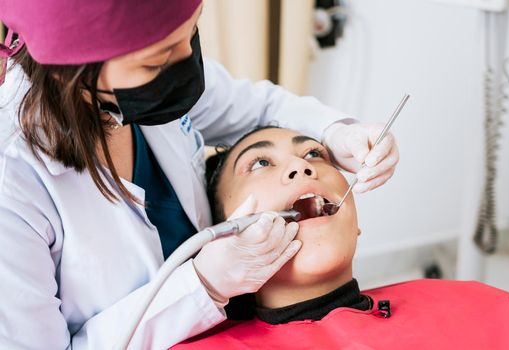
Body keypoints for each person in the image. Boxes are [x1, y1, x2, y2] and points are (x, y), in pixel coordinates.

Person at [0, 0, 400, 348]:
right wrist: (203, 284)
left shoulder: (152, 71)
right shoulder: (13, 179)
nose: (185, 64)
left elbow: (259, 110)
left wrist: (337, 131)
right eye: (155, 61)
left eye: (191, 32)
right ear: (66, 71)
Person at [172, 126, 509, 349]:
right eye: (260, 163)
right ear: (221, 234)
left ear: (355, 221)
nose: (301, 166)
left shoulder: (478, 304)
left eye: (315, 154)